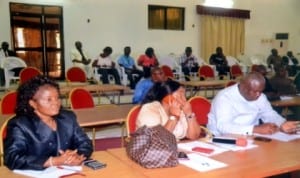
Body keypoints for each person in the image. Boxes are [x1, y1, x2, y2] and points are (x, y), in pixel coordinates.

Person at [4, 75, 93, 170]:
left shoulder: (68, 118)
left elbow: (85, 143)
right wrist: (53, 161)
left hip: (67, 172)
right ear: (33, 103)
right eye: (49, 99)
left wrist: (76, 156)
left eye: (58, 98)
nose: (56, 103)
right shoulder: (20, 124)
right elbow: (12, 158)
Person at [207, 72, 300, 136]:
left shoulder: (260, 96)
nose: (259, 95)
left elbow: (269, 114)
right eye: (255, 91)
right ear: (243, 87)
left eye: (260, 91)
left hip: (250, 138)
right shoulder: (225, 97)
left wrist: (282, 123)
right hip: (221, 139)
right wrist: (255, 129)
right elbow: (223, 126)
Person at [136, 80, 200, 140]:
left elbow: (193, 136)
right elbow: (157, 141)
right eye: (180, 96)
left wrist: (189, 114)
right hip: (152, 150)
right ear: (167, 98)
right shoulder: (149, 110)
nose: (184, 100)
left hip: (175, 148)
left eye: (184, 95)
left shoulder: (180, 109)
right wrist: (174, 117)